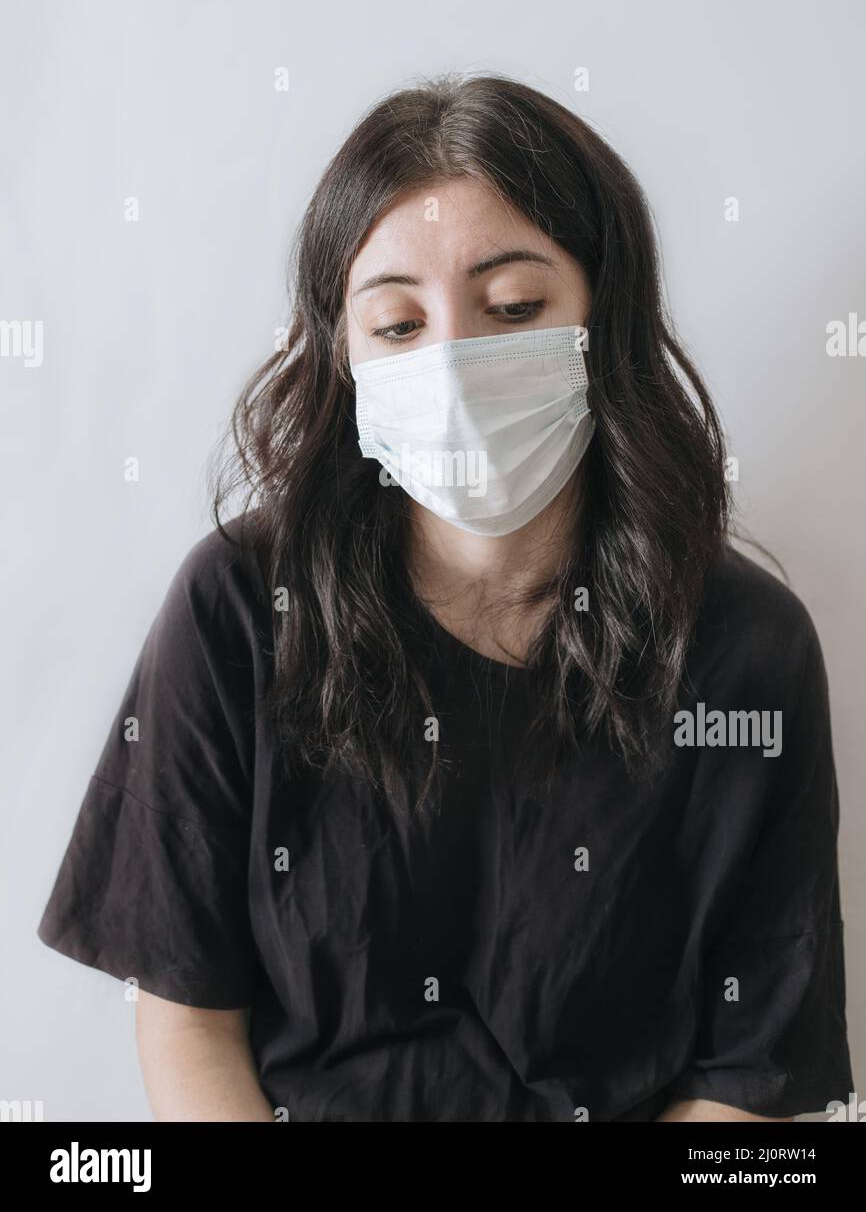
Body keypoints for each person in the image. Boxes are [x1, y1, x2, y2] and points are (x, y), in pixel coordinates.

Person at [37, 72, 853, 1122]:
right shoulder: (238, 607)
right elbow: (189, 1017)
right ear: (339, 350)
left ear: (603, 314)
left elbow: (751, 1078)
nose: (457, 366)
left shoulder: (745, 648)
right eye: (396, 324)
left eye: (512, 307)